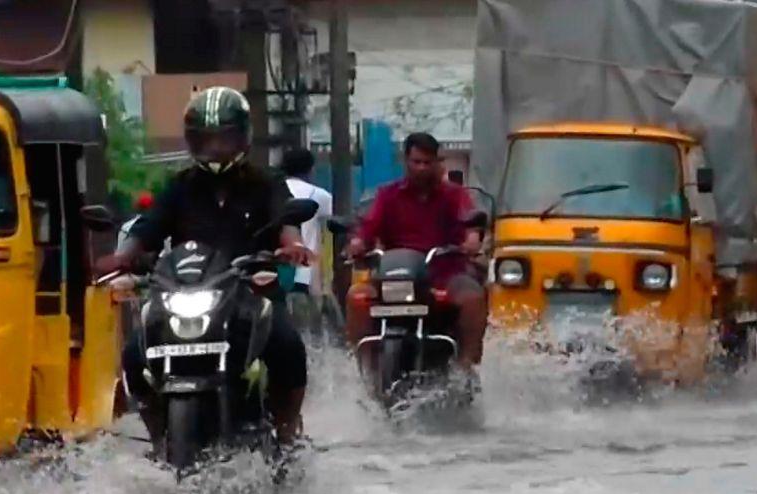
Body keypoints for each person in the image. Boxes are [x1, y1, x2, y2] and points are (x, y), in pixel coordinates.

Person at [94, 86, 312, 446]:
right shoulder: (179, 187)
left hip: (249, 293)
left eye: (224, 137)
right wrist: (123, 256)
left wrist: (293, 246)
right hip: (186, 294)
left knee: (287, 344)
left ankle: (287, 430)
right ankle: (157, 436)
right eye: (207, 138)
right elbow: (148, 228)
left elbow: (286, 222)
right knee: (135, 353)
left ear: (242, 136)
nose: (215, 147)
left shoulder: (266, 183)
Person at [346, 133, 487, 368]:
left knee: (473, 298)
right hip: (394, 276)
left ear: (437, 163)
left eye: (427, 162)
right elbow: (368, 227)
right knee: (356, 297)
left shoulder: (454, 195)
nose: (421, 168)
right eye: (416, 162)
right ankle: (364, 366)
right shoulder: (387, 195)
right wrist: (357, 243)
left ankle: (466, 367)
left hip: (444, 274)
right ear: (406, 161)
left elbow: (470, 222)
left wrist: (471, 239)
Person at [280, 148, 333, 343]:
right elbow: (332, 224)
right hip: (305, 274)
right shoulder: (319, 195)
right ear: (311, 169)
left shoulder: (273, 192)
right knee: (310, 330)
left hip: (275, 271)